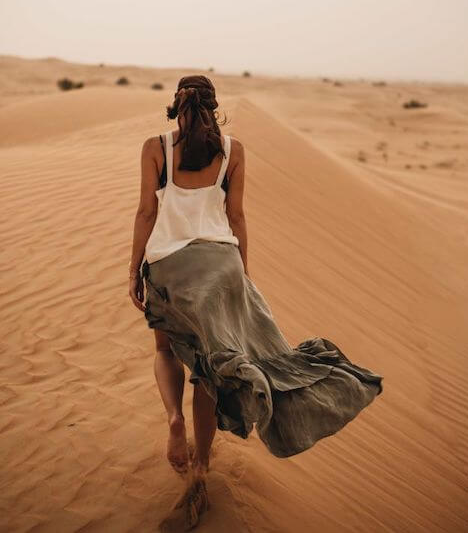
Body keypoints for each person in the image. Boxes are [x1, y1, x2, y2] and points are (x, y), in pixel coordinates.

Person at [128, 75, 383, 525]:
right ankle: (202, 465)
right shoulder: (234, 151)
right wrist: (241, 274)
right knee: (210, 369)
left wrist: (134, 269)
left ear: (175, 106)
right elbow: (237, 215)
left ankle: (173, 421)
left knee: (166, 350)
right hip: (221, 265)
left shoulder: (155, 148)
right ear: (214, 105)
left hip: (171, 266)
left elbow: (147, 211)